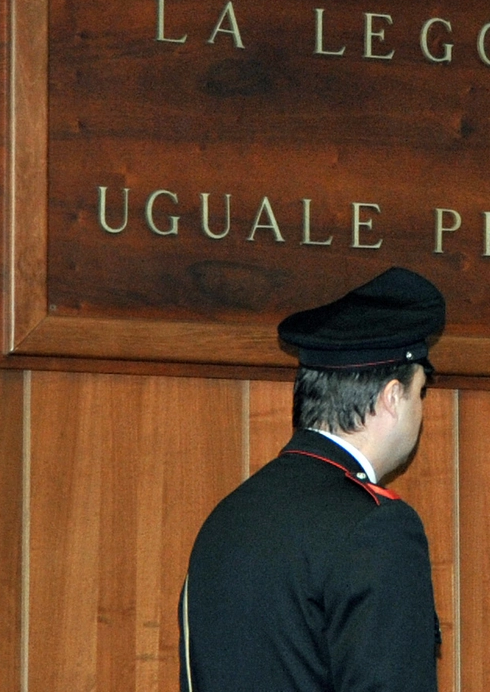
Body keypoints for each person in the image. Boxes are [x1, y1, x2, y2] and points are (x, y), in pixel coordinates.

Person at [180, 266, 445, 692]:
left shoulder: (226, 519)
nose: (420, 410)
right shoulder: (375, 527)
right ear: (392, 397)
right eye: (420, 393)